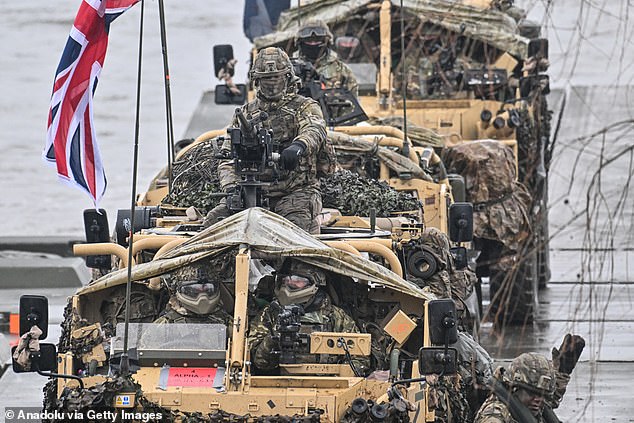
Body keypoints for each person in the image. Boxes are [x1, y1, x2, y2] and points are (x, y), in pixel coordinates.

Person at [203, 47, 327, 234]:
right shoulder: (245, 114)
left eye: (276, 78)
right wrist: (231, 189)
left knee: (293, 233)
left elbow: (314, 129)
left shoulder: (304, 107)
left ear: (287, 78)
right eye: (266, 79)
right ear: (256, 80)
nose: (271, 84)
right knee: (213, 225)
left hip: (296, 192)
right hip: (250, 190)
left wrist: (298, 146)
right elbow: (227, 158)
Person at [247, 260, 369, 375]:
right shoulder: (270, 313)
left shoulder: (336, 316)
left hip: (327, 389)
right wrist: (274, 338)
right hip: (278, 386)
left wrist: (336, 377)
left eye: (297, 281)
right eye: (284, 280)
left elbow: (360, 359)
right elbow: (258, 362)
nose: (288, 285)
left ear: (314, 284)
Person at [475, 334, 585, 422]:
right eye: (532, 394)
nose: (538, 400)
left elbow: (549, 400)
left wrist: (562, 372)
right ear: (514, 388)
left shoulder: (527, 404)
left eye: (543, 395)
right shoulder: (494, 416)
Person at [295, 20, 358, 97]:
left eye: (318, 41)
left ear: (327, 42)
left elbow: (352, 103)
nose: (313, 44)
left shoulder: (342, 70)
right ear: (300, 43)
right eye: (308, 41)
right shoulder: (289, 68)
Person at [154, 268, 231, 325]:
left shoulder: (225, 322)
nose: (202, 298)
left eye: (208, 289)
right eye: (194, 291)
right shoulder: (165, 325)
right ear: (176, 291)